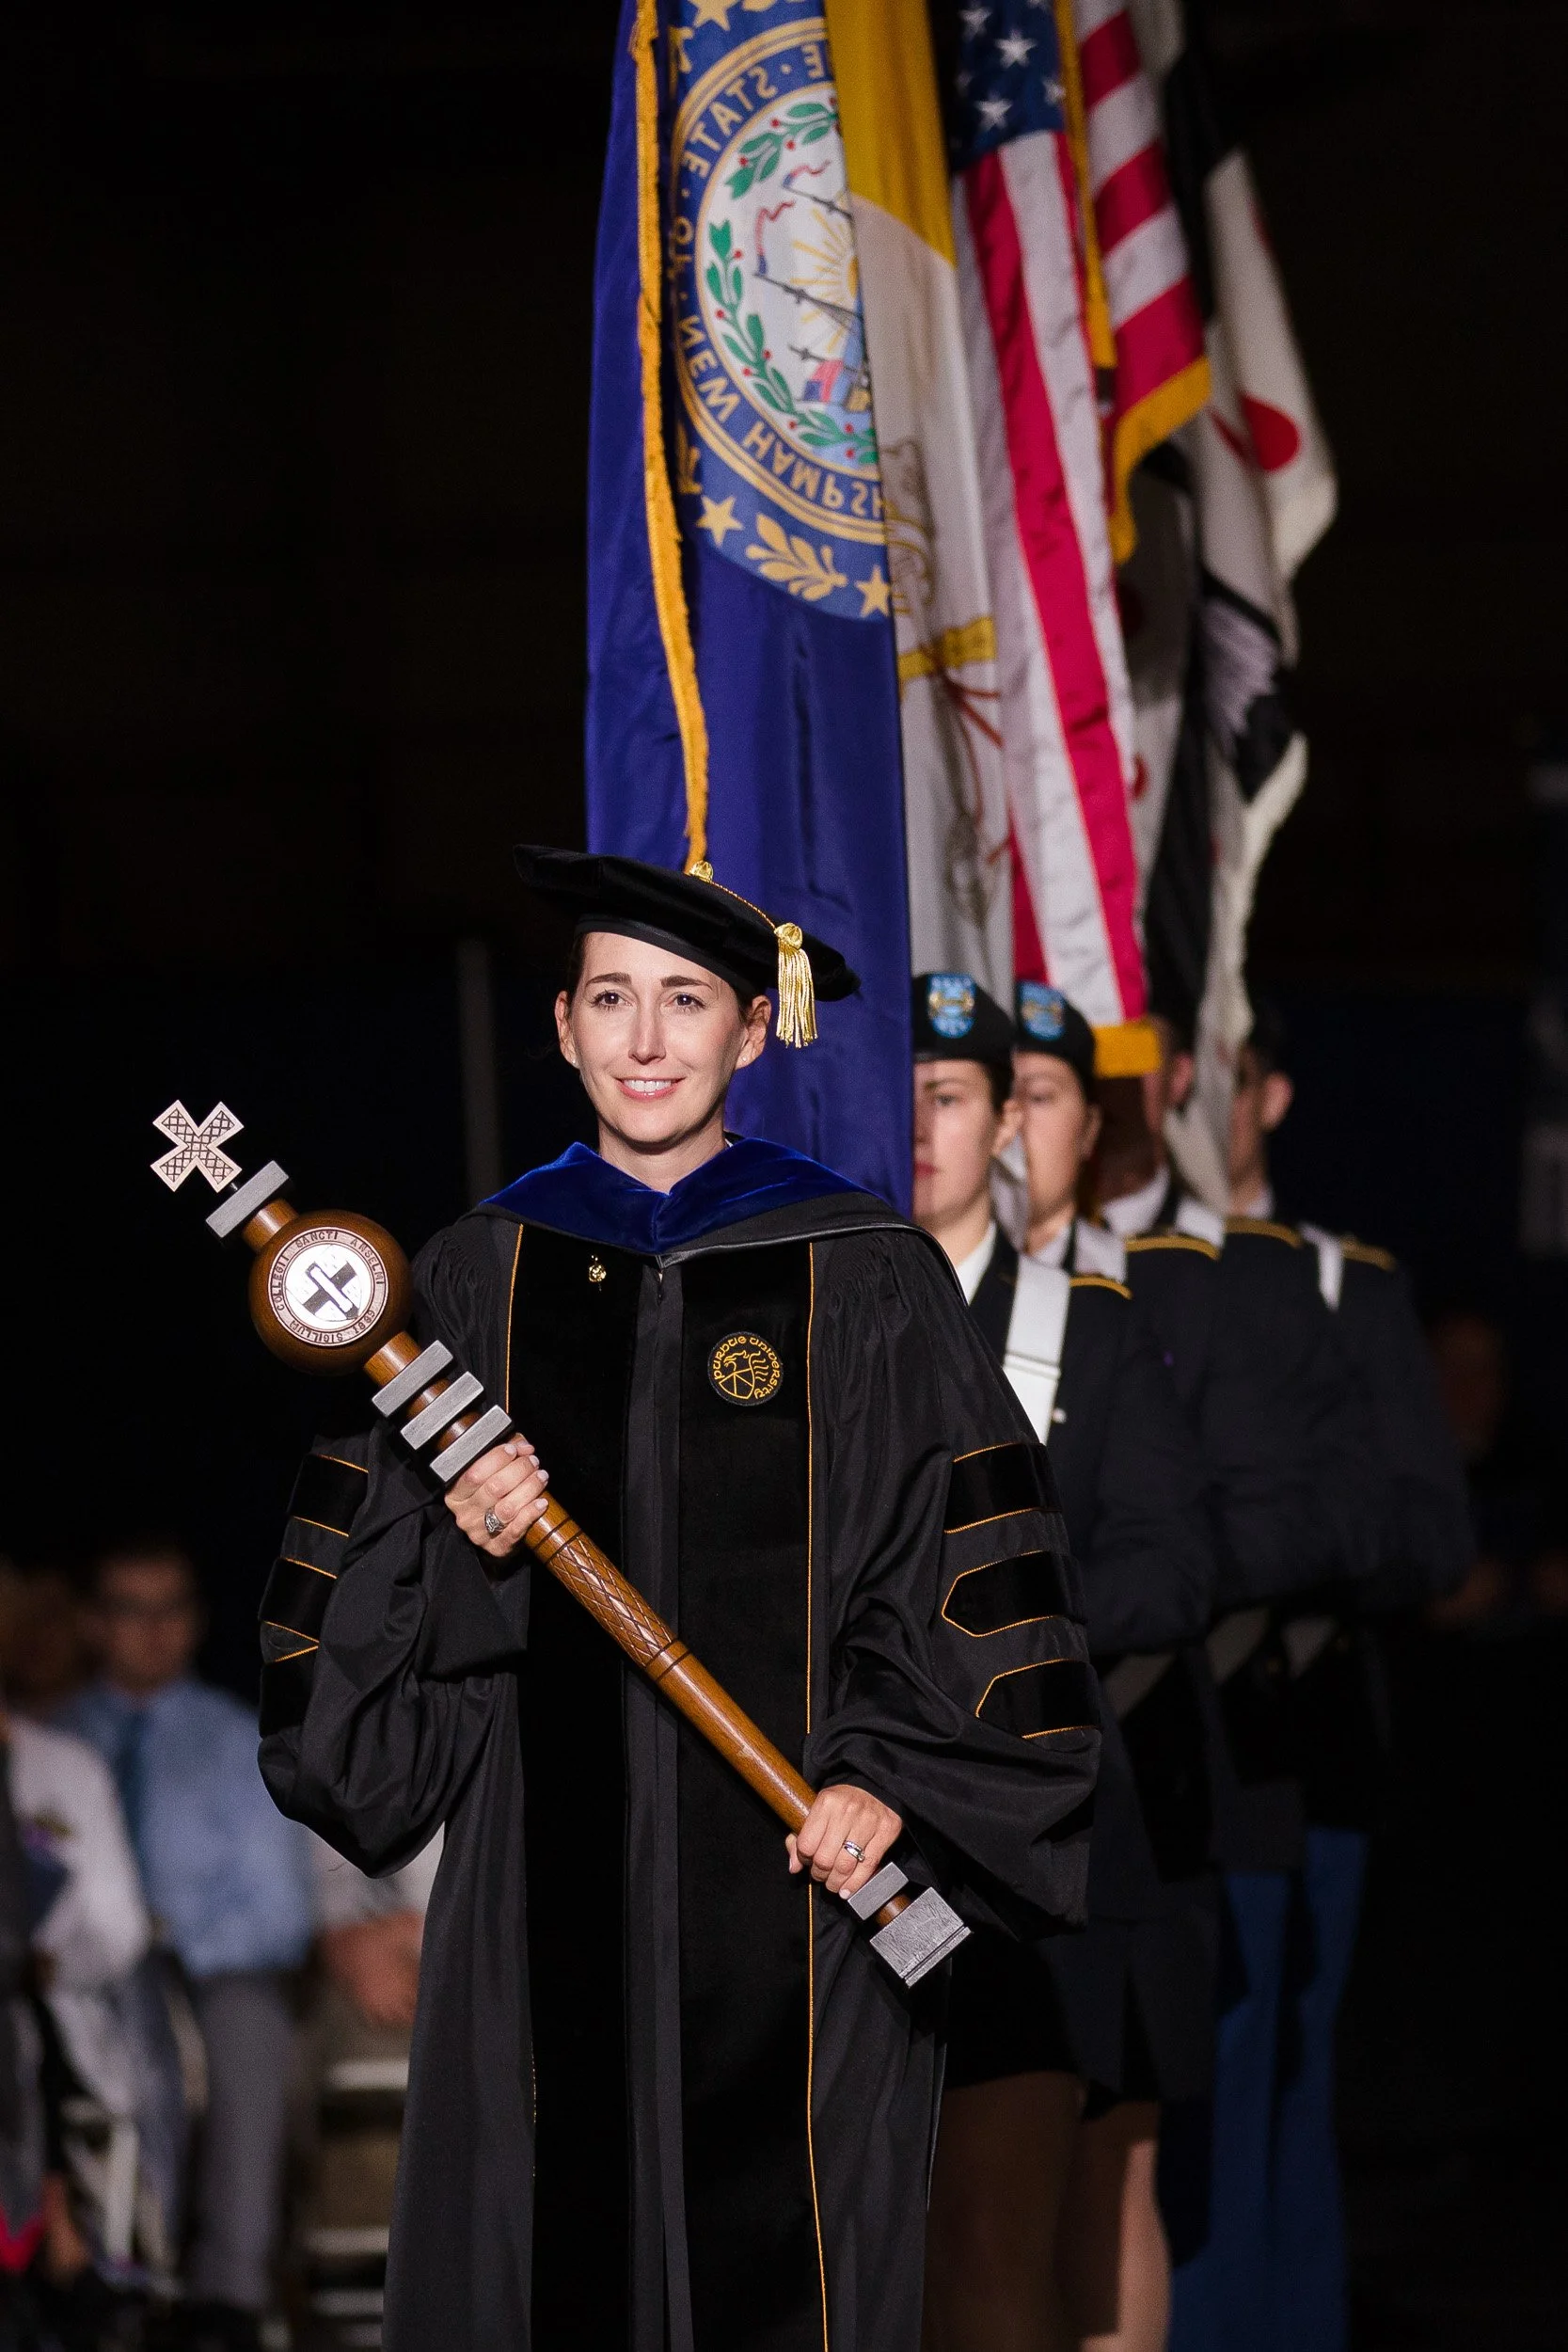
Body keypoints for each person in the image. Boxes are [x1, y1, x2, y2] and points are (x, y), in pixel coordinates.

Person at [258, 850, 1101, 2352]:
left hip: (802, 1889)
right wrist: (465, 1546)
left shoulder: (865, 1274)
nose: (648, 1041)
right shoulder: (472, 1279)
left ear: (749, 1033)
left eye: (687, 1002)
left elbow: (970, 1578)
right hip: (539, 1896)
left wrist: (889, 1781)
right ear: (567, 1030)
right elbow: (351, 1688)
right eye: (611, 1000)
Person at [911, 976, 1215, 2352]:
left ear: (1005, 1127)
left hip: (1043, 1825)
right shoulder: (819, 1309)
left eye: (952, 1096)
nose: (919, 1125)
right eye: (898, 1096)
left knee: (1025, 2217)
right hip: (858, 1821)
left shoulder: (1079, 1323)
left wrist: (1001, 1618)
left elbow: (1170, 1565)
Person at [1069, 1011, 1381, 2352]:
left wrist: (1089, 1590)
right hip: (1007, 1785)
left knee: (1205, 2146)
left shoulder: (1243, 1284)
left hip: (1207, 1758)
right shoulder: (942, 1291)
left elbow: (1372, 1524)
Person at [1227, 1004, 1469, 2352]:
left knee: (1273, 2084)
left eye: (1224, 1070)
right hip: (1097, 1749)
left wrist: (1269, 1541)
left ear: (1270, 1096)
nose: (1191, 1093)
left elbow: (1427, 1536)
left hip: (1291, 1740)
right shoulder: (1062, 1272)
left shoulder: (1338, 1284)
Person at [57, 1545, 314, 2351]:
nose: (152, 1630)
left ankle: (224, 2294)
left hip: (206, 1966)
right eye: (129, 1609)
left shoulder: (236, 1736)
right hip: (79, 1969)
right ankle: (90, 2268)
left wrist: (170, 1944)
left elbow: (280, 1912)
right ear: (94, 1623)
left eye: (170, 1608)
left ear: (196, 1621)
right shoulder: (50, 1737)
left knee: (248, 2022)